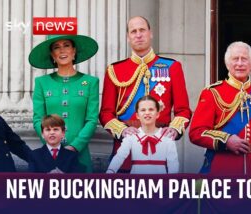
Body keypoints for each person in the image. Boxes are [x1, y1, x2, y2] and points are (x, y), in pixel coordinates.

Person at [100, 16, 191, 172]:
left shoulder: (172, 67)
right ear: (128, 37)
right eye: (133, 31)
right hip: (125, 148)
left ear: (150, 33)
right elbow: (106, 113)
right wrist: (122, 130)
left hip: (161, 146)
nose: (138, 34)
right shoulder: (114, 70)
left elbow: (183, 110)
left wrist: (174, 129)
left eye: (142, 30)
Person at [189, 41, 251, 175]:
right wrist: (226, 140)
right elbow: (196, 132)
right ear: (227, 63)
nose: (239, 63)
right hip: (222, 171)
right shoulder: (212, 93)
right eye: (235, 59)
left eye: (244, 59)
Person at [29, 34, 99, 173]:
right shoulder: (42, 82)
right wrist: (52, 145)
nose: (62, 51)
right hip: (50, 155)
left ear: (74, 52)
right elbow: (38, 119)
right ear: (52, 55)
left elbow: (91, 120)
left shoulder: (90, 82)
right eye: (56, 47)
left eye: (66, 45)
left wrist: (74, 147)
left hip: (79, 154)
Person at [106, 96, 179, 174]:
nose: (147, 113)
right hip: (137, 182)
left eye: (151, 109)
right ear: (137, 115)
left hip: (160, 182)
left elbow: (173, 162)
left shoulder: (167, 136)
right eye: (143, 110)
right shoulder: (131, 136)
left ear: (157, 114)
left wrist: (172, 181)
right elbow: (119, 156)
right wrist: (110, 172)